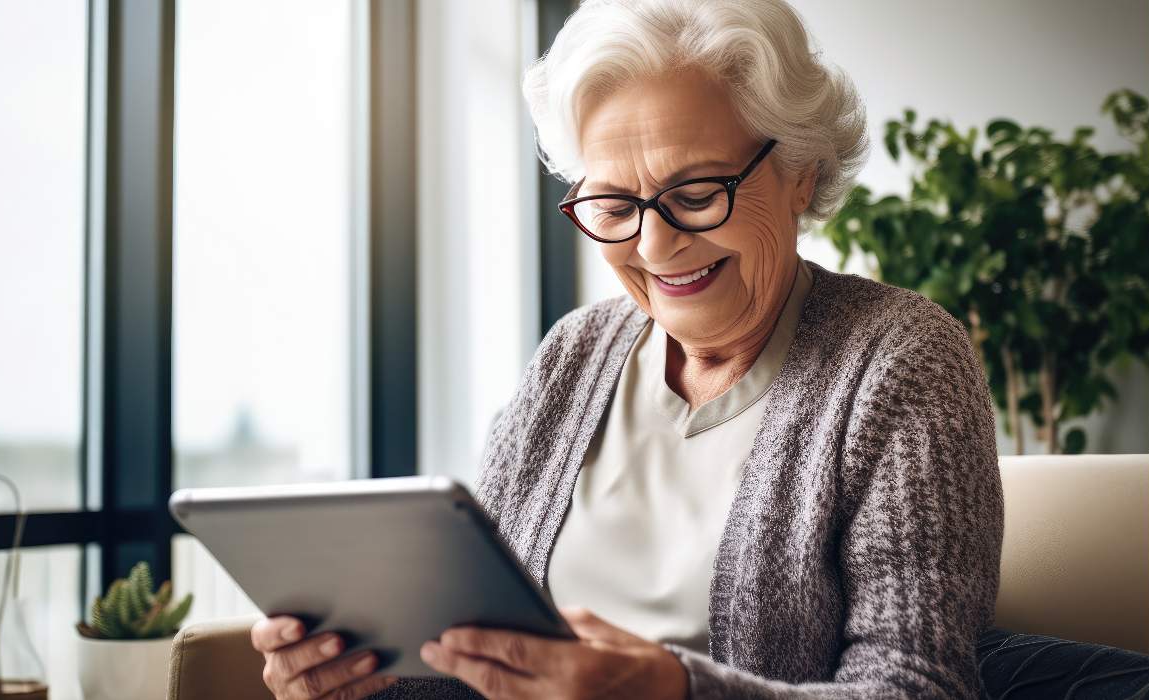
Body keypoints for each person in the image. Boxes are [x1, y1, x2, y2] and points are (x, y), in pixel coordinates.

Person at [251, 0, 1003, 697]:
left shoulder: (900, 360)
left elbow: (917, 686)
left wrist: (674, 691)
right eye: (614, 204)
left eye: (698, 192)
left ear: (799, 172)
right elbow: (477, 661)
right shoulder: (572, 356)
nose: (654, 244)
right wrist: (360, 678)